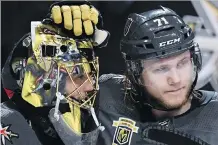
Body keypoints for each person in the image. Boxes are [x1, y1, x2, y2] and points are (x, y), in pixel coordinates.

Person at [95, 5, 218, 145]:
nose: (176, 79)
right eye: (161, 69)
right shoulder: (103, 96)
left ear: (194, 60)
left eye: (182, 63)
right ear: (135, 72)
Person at [1, 1, 109, 145]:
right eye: (79, 75)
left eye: (91, 75)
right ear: (43, 78)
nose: (91, 86)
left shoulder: (85, 117)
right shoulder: (7, 122)